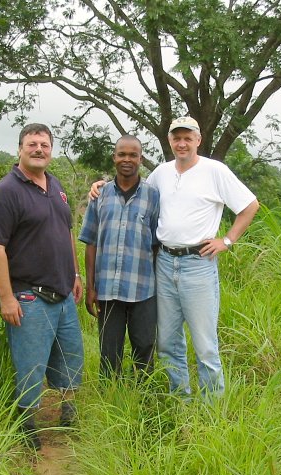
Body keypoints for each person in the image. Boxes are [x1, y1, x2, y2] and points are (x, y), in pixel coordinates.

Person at [90, 116, 259, 398]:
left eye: (187, 138)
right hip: (165, 264)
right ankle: (180, 401)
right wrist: (101, 184)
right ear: (170, 141)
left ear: (198, 140)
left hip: (198, 264)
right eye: (176, 138)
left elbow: (250, 205)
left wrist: (227, 241)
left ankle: (211, 411)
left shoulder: (214, 171)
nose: (182, 143)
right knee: (168, 344)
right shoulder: (162, 173)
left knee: (205, 346)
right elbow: (131, 183)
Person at [0, 123, 84, 450]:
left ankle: (68, 417)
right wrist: (7, 298)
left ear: (51, 149)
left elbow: (67, 232)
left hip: (64, 295)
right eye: (32, 144)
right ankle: (26, 428)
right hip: (29, 297)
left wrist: (76, 274)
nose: (38, 149)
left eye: (44, 144)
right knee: (30, 366)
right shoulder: (6, 191)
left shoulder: (55, 185)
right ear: (20, 149)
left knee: (71, 359)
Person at [79, 135, 160, 379]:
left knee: (145, 348)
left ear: (140, 159)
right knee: (109, 353)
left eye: (133, 155)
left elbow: (157, 244)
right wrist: (91, 287)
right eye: (122, 154)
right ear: (114, 158)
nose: (127, 159)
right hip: (107, 289)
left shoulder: (153, 196)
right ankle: (111, 399)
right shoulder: (99, 195)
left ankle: (145, 401)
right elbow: (91, 242)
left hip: (143, 288)